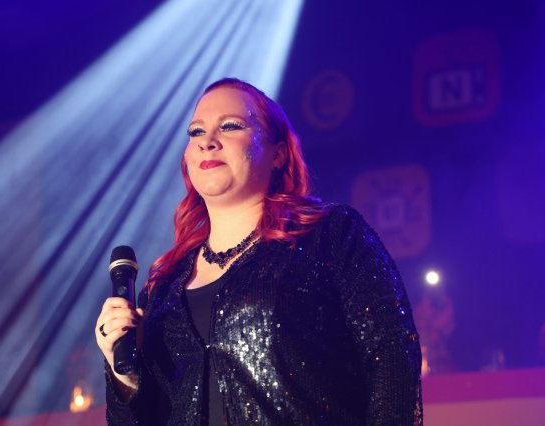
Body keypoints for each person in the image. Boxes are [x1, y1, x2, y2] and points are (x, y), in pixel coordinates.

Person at [95, 78, 423, 425]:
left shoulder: (331, 235)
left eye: (230, 126)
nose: (207, 141)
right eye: (196, 132)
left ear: (278, 153)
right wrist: (124, 376)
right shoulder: (163, 287)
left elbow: (391, 360)